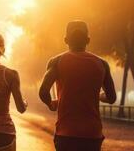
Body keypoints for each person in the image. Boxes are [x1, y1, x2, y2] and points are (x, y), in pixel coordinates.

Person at [39, 20, 117, 151]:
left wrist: (51, 104)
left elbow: (43, 92)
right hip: (92, 135)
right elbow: (111, 98)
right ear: (88, 40)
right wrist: (97, 95)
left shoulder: (56, 62)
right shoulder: (102, 64)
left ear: (66, 40)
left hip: (66, 134)